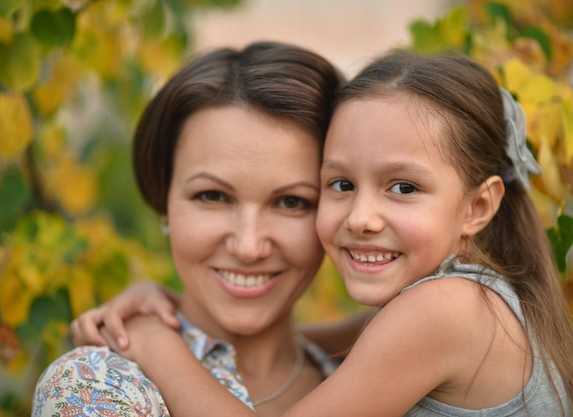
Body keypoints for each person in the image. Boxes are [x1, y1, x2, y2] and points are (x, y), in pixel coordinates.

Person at [69, 51, 573, 417]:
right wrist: (166, 305)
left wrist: (153, 341)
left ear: (478, 205)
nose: (362, 217)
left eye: (402, 187)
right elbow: (330, 339)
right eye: (342, 183)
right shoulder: (468, 301)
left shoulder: (447, 310)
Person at [31, 40, 356, 417]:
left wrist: (156, 342)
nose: (249, 247)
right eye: (213, 196)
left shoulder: (389, 385)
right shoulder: (96, 383)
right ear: (164, 198)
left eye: (292, 202)